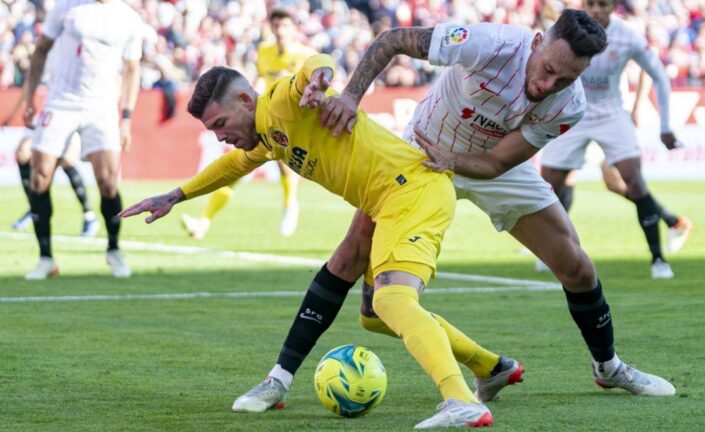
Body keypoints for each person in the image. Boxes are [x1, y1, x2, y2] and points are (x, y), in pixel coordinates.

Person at [231, 9, 675, 416]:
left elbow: (498, 162)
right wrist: (350, 96)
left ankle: (608, 367)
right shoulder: (488, 43)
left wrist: (455, 161)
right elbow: (392, 39)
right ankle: (277, 380)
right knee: (356, 268)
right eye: (547, 70)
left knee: (577, 266)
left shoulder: (569, 104)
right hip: (419, 154)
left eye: (564, 79)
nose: (547, 85)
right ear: (537, 42)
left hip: (486, 165)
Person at [120, 56, 504, 428]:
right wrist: (177, 195)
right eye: (212, 131)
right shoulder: (268, 134)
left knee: (392, 301)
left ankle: (460, 401)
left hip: (413, 192)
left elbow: (312, 65)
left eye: (221, 124)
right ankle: (490, 367)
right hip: (383, 201)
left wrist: (320, 77)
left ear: (245, 100)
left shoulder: (282, 103)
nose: (220, 136)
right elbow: (234, 165)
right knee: (368, 307)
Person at [540, 0, 694, 279]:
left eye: (603, 4)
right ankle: (550, 250)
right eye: (591, 4)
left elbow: (658, 74)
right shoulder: (565, 28)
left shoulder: (628, 36)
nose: (596, 10)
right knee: (548, 185)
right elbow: (539, 58)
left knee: (633, 180)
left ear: (614, 7)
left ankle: (658, 259)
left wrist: (665, 125)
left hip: (610, 113)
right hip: (571, 109)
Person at [22, 0, 142, 280]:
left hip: (101, 106)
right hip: (60, 101)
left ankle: (114, 249)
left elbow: (132, 69)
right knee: (39, 177)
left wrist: (126, 117)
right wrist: (30, 97)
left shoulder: (129, 19)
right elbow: (41, 50)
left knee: (108, 182)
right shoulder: (66, 6)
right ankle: (45, 258)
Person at [181, 8, 316, 240]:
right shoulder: (265, 51)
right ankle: (203, 222)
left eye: (285, 26)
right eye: (276, 26)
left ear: (294, 29)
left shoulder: (307, 55)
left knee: (281, 157)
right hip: (263, 118)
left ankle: (290, 204)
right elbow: (262, 77)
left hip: (293, 119)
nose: (280, 31)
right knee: (234, 171)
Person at [2, 85, 98, 237]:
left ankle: (89, 215)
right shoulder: (40, 71)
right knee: (22, 153)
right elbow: (29, 87)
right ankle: (34, 208)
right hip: (45, 114)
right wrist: (14, 114)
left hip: (68, 113)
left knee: (66, 160)